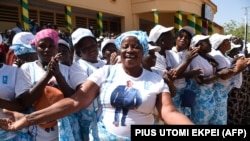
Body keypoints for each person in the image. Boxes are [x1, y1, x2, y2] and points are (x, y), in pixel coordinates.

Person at [0, 30, 194, 141]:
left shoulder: (155, 80)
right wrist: (28, 119)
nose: (130, 50)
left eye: (136, 46)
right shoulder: (105, 72)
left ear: (143, 50)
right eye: (125, 46)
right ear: (119, 49)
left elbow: (170, 113)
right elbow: (75, 102)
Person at [12, 29, 81, 141]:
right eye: (42, 46)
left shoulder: (66, 70)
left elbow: (74, 101)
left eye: (51, 46)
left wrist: (58, 75)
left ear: (57, 48)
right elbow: (24, 102)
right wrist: (47, 76)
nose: (47, 50)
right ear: (36, 48)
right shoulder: (27, 68)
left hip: (64, 131)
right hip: (36, 130)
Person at [69, 27, 106, 141]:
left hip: (106, 115)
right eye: (85, 48)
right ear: (79, 52)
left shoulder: (104, 63)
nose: (91, 49)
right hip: (88, 118)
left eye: (93, 45)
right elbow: (84, 91)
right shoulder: (77, 66)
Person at [209, 33, 250, 125]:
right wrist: (239, 67)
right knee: (218, 120)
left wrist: (237, 62)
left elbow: (229, 67)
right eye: (227, 40)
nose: (229, 42)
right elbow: (224, 75)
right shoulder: (217, 55)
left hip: (224, 91)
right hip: (219, 91)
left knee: (221, 117)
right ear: (222, 43)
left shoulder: (223, 55)